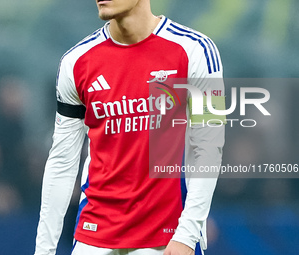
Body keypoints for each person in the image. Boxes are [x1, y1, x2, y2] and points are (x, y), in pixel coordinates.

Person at [34, 0, 225, 255]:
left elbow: (209, 149)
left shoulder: (197, 51)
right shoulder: (75, 62)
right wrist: (43, 251)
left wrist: (187, 234)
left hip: (166, 241)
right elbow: (61, 162)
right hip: (94, 238)